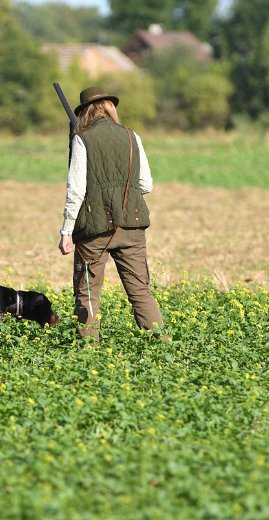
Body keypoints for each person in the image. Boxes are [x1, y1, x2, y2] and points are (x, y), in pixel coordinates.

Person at [58, 85, 164, 341]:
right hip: (133, 225)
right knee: (141, 290)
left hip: (94, 232)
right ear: (109, 108)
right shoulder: (131, 136)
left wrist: (66, 231)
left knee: (87, 293)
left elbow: (76, 189)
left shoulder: (83, 139)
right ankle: (161, 346)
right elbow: (145, 185)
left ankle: (88, 354)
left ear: (85, 112)